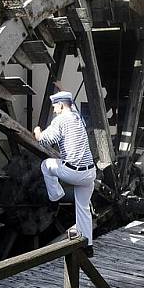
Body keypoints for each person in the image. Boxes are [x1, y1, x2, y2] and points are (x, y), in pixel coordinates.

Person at [33, 91, 96, 255]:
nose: (54, 109)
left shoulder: (60, 120)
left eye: (55, 106)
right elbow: (72, 103)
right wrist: (62, 88)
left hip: (73, 172)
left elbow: (45, 139)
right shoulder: (77, 117)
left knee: (46, 165)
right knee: (83, 208)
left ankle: (56, 196)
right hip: (90, 173)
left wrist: (37, 131)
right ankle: (88, 246)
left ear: (61, 105)